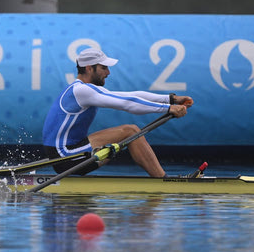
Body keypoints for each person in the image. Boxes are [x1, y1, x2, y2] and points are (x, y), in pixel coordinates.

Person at [42, 48, 192, 177]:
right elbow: (128, 104)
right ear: (89, 68)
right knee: (131, 131)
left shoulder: (86, 89)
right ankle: (163, 180)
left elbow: (131, 95)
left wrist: (170, 99)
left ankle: (162, 178)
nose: (108, 72)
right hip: (64, 157)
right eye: (104, 68)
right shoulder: (81, 90)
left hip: (67, 152)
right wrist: (167, 109)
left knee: (130, 132)